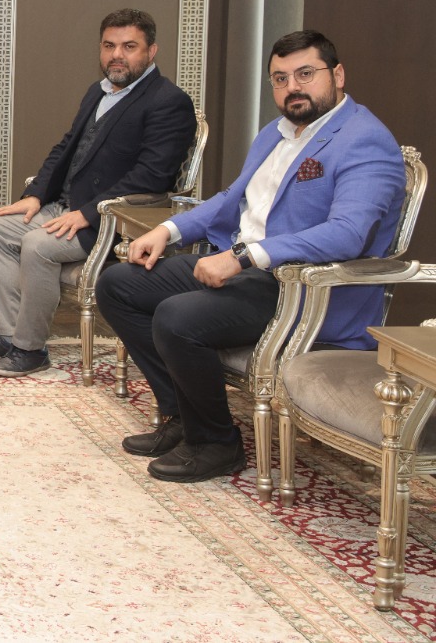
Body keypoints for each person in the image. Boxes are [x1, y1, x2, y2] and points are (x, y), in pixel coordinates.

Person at [97, 30, 405, 484]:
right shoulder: (274, 133)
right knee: (118, 284)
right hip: (248, 271)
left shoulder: (364, 140)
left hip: (299, 289)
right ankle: (182, 415)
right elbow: (232, 198)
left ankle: (216, 443)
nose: (292, 87)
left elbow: (348, 234)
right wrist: (168, 230)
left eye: (305, 74)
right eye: (280, 78)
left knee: (177, 317)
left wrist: (243, 256)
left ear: (337, 75)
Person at [0, 9, 196, 376]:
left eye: (129, 46)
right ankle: (8, 335)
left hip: (114, 221)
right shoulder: (97, 92)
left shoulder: (168, 101)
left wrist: (88, 213)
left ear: (151, 51)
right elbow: (66, 148)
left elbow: (151, 178)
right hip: (66, 207)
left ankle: (30, 349)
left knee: (37, 245)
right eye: (109, 45)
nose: (117, 55)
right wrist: (36, 195)